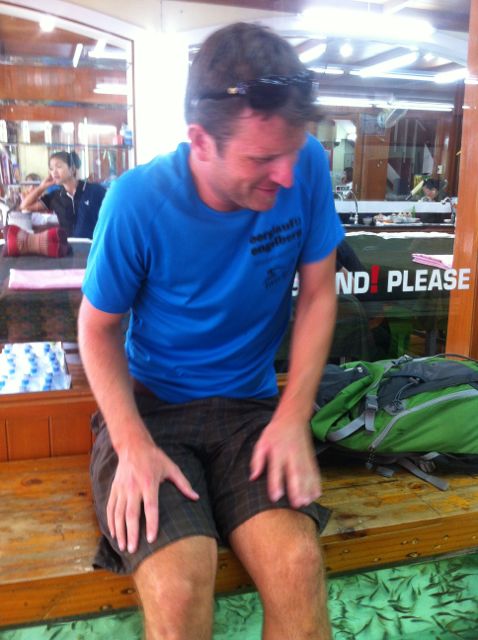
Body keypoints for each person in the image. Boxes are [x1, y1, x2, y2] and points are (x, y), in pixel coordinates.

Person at [78, 22, 344, 640]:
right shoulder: (136, 202)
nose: (286, 175)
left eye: (292, 151)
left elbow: (318, 293)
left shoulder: (305, 164)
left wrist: (293, 415)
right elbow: (96, 330)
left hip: (251, 412)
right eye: (261, 158)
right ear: (200, 140)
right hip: (154, 414)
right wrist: (131, 445)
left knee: (298, 566)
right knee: (178, 590)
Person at [20, 151, 105, 238]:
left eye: (59, 167)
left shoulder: (94, 190)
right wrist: (42, 187)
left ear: (72, 169)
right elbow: (25, 206)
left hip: (94, 244)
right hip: (68, 245)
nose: (54, 172)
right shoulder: (55, 196)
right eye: (51, 169)